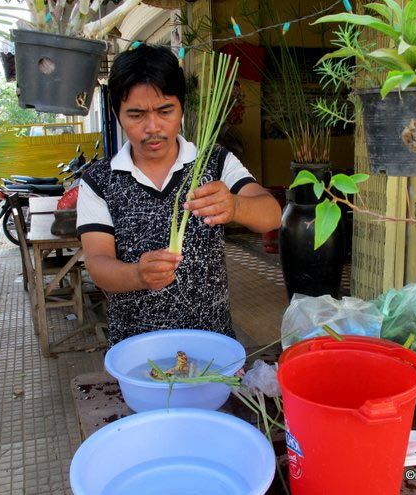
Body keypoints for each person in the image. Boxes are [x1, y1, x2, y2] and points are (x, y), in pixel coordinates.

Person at [76, 45, 282, 345]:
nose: (153, 127)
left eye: (165, 111)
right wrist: (137, 275)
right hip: (136, 345)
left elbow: (271, 214)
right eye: (136, 115)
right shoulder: (98, 181)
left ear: (182, 107)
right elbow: (98, 262)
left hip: (211, 340)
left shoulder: (215, 162)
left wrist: (235, 205)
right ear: (117, 115)